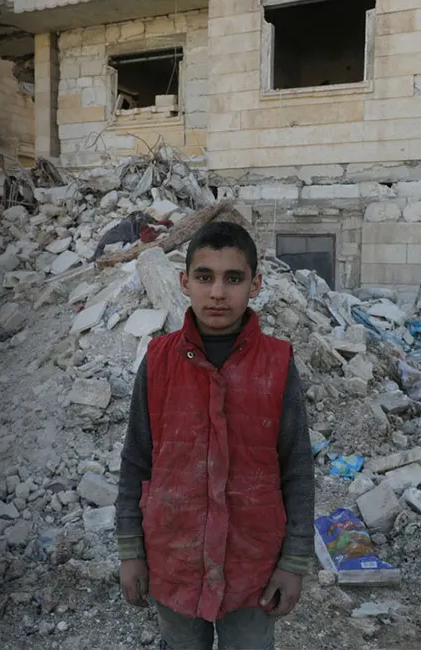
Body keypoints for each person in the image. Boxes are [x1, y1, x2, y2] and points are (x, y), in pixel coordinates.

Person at [115, 221, 314, 650]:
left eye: (233, 278)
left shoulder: (278, 364)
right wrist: (131, 550)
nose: (218, 292)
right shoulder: (158, 360)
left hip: (252, 564)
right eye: (205, 277)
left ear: (255, 284)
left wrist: (294, 562)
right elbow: (136, 461)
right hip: (174, 559)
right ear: (184, 282)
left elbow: (297, 468)